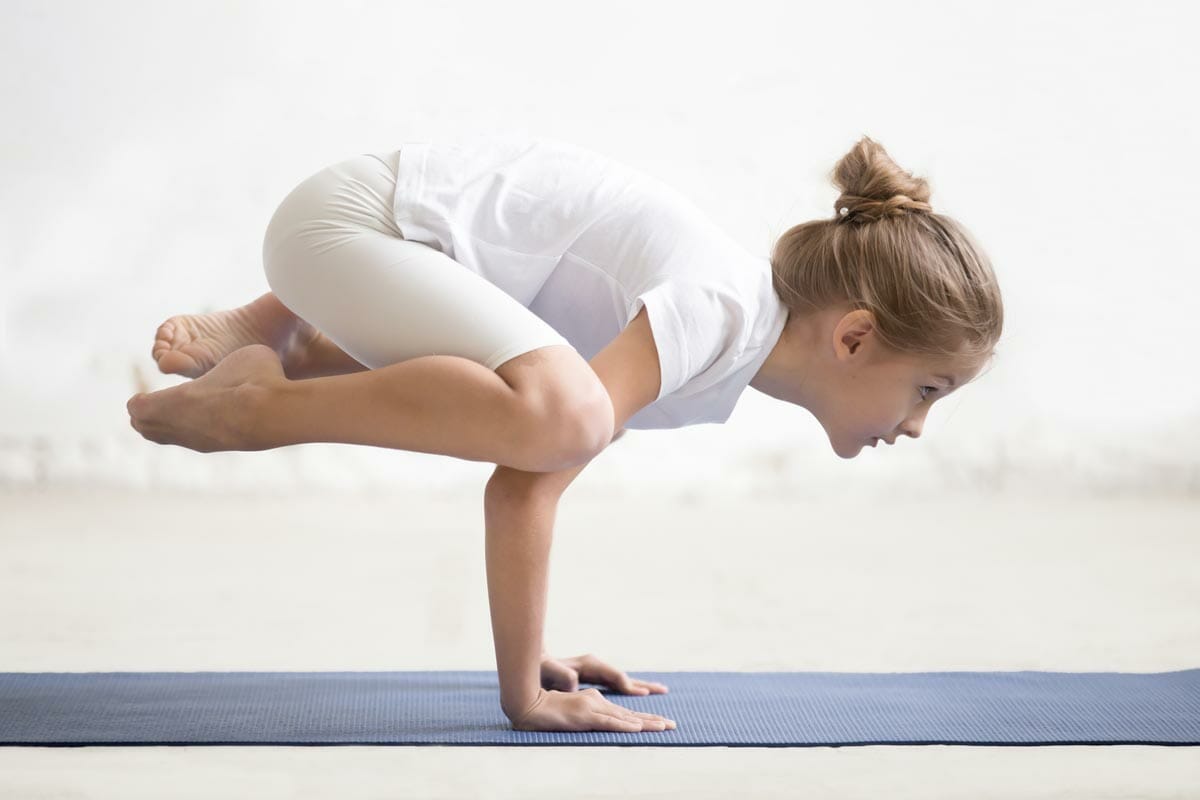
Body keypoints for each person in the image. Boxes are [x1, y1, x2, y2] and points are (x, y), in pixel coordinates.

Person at [125, 133, 1003, 734]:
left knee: (559, 411)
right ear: (852, 338)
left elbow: (528, 465)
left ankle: (290, 340)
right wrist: (522, 701)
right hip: (351, 228)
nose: (921, 424)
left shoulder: (717, 344)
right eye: (928, 389)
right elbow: (528, 472)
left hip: (365, 252)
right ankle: (258, 403)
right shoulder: (720, 311)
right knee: (567, 416)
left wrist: (531, 653)